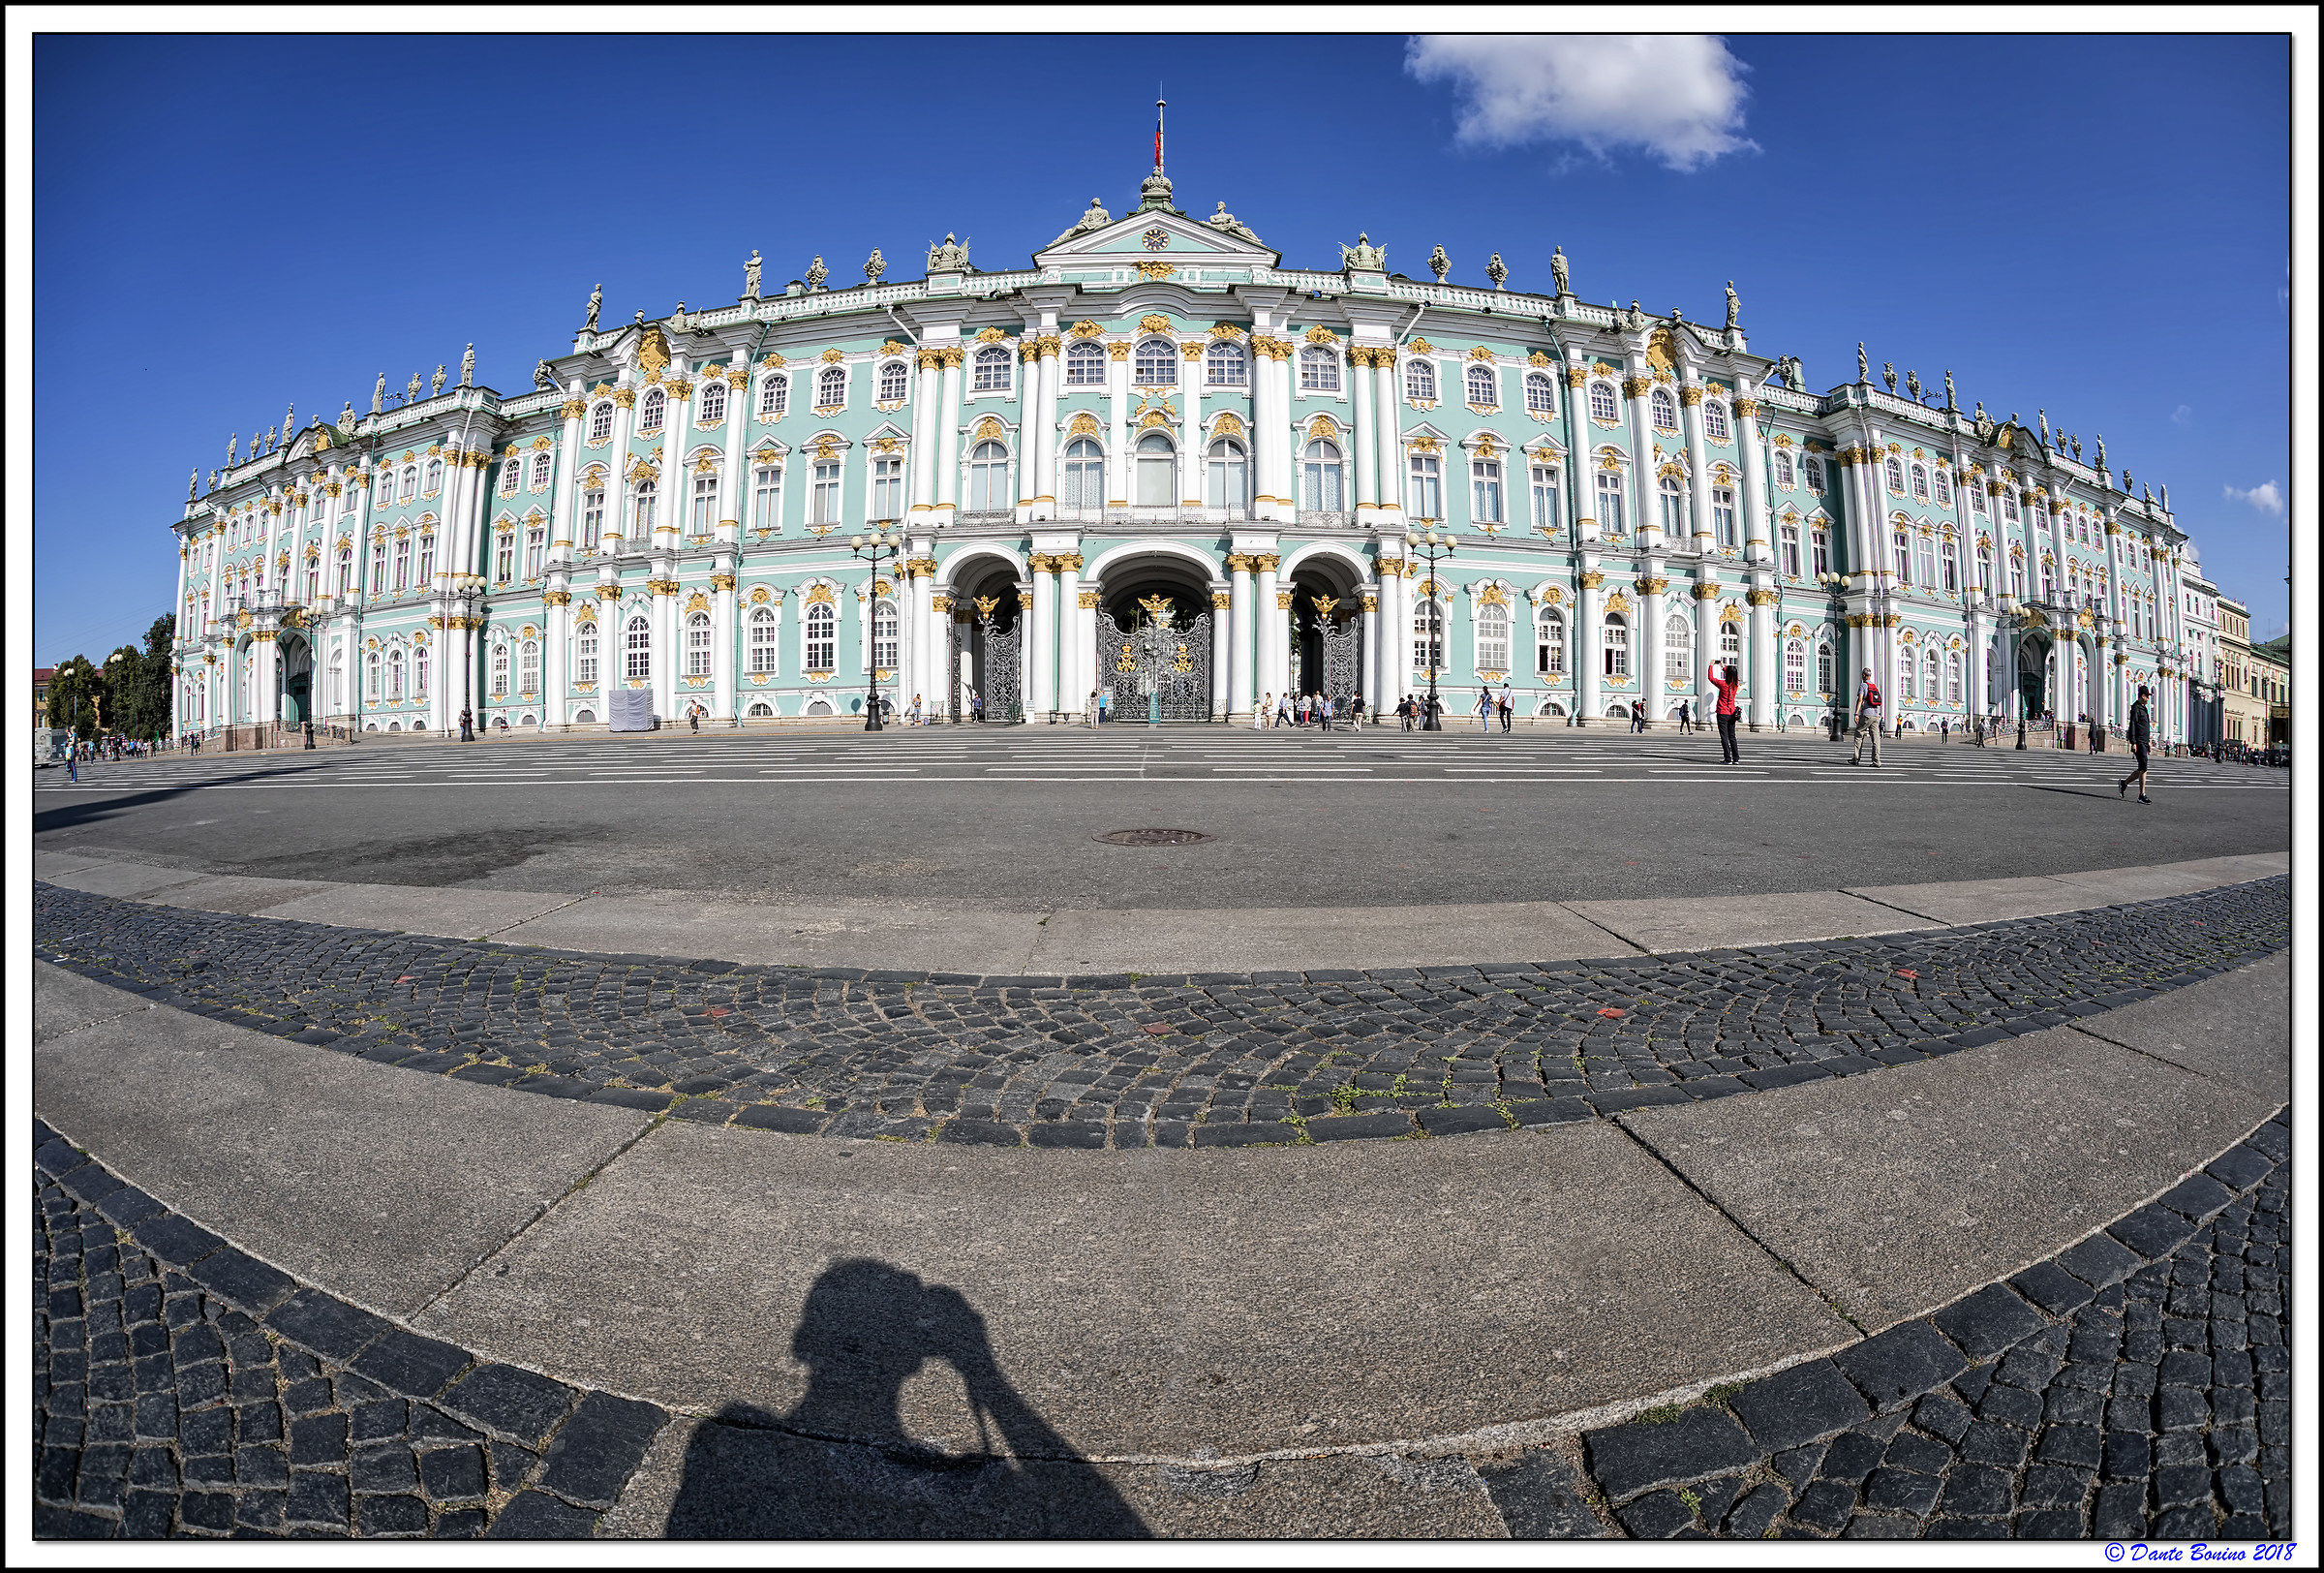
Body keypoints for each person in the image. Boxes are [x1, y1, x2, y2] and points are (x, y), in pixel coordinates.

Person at [2119, 685, 2154, 804]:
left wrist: (2148, 741)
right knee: (2143, 767)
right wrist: (2133, 742)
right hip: (2138, 741)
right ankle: (2141, 795)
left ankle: (2124, 783)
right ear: (2143, 696)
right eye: (2147, 696)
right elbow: (2132, 725)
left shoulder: (2144, 708)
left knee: (2142, 768)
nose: (2148, 699)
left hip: (2144, 741)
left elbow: (2145, 726)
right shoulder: (2136, 708)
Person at [1708, 663, 1742, 763]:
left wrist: (1711, 665)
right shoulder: (1735, 685)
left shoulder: (1722, 684)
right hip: (1732, 713)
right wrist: (1723, 667)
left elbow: (1710, 678)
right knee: (1732, 737)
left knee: (1724, 737)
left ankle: (1728, 758)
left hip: (1722, 713)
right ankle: (1736, 758)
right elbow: (1731, 674)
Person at [1850, 667, 1882, 766]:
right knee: (1876, 739)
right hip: (1876, 715)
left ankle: (1856, 759)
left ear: (1863, 675)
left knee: (1859, 734)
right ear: (1870, 676)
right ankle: (1876, 761)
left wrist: (1856, 713)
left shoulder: (1863, 685)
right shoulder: (1874, 686)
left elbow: (1860, 699)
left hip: (1866, 714)